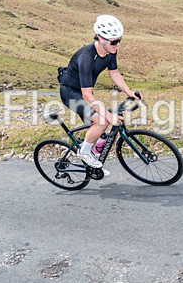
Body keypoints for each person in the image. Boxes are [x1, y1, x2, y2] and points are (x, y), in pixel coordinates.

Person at [59, 15, 139, 169]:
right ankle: (84, 152)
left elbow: (114, 72)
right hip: (71, 93)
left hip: (84, 93)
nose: (117, 45)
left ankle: (91, 158)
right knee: (103, 120)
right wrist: (109, 116)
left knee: (98, 126)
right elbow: (87, 95)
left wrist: (128, 91)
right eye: (114, 41)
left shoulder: (110, 51)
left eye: (119, 40)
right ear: (101, 39)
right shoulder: (86, 57)